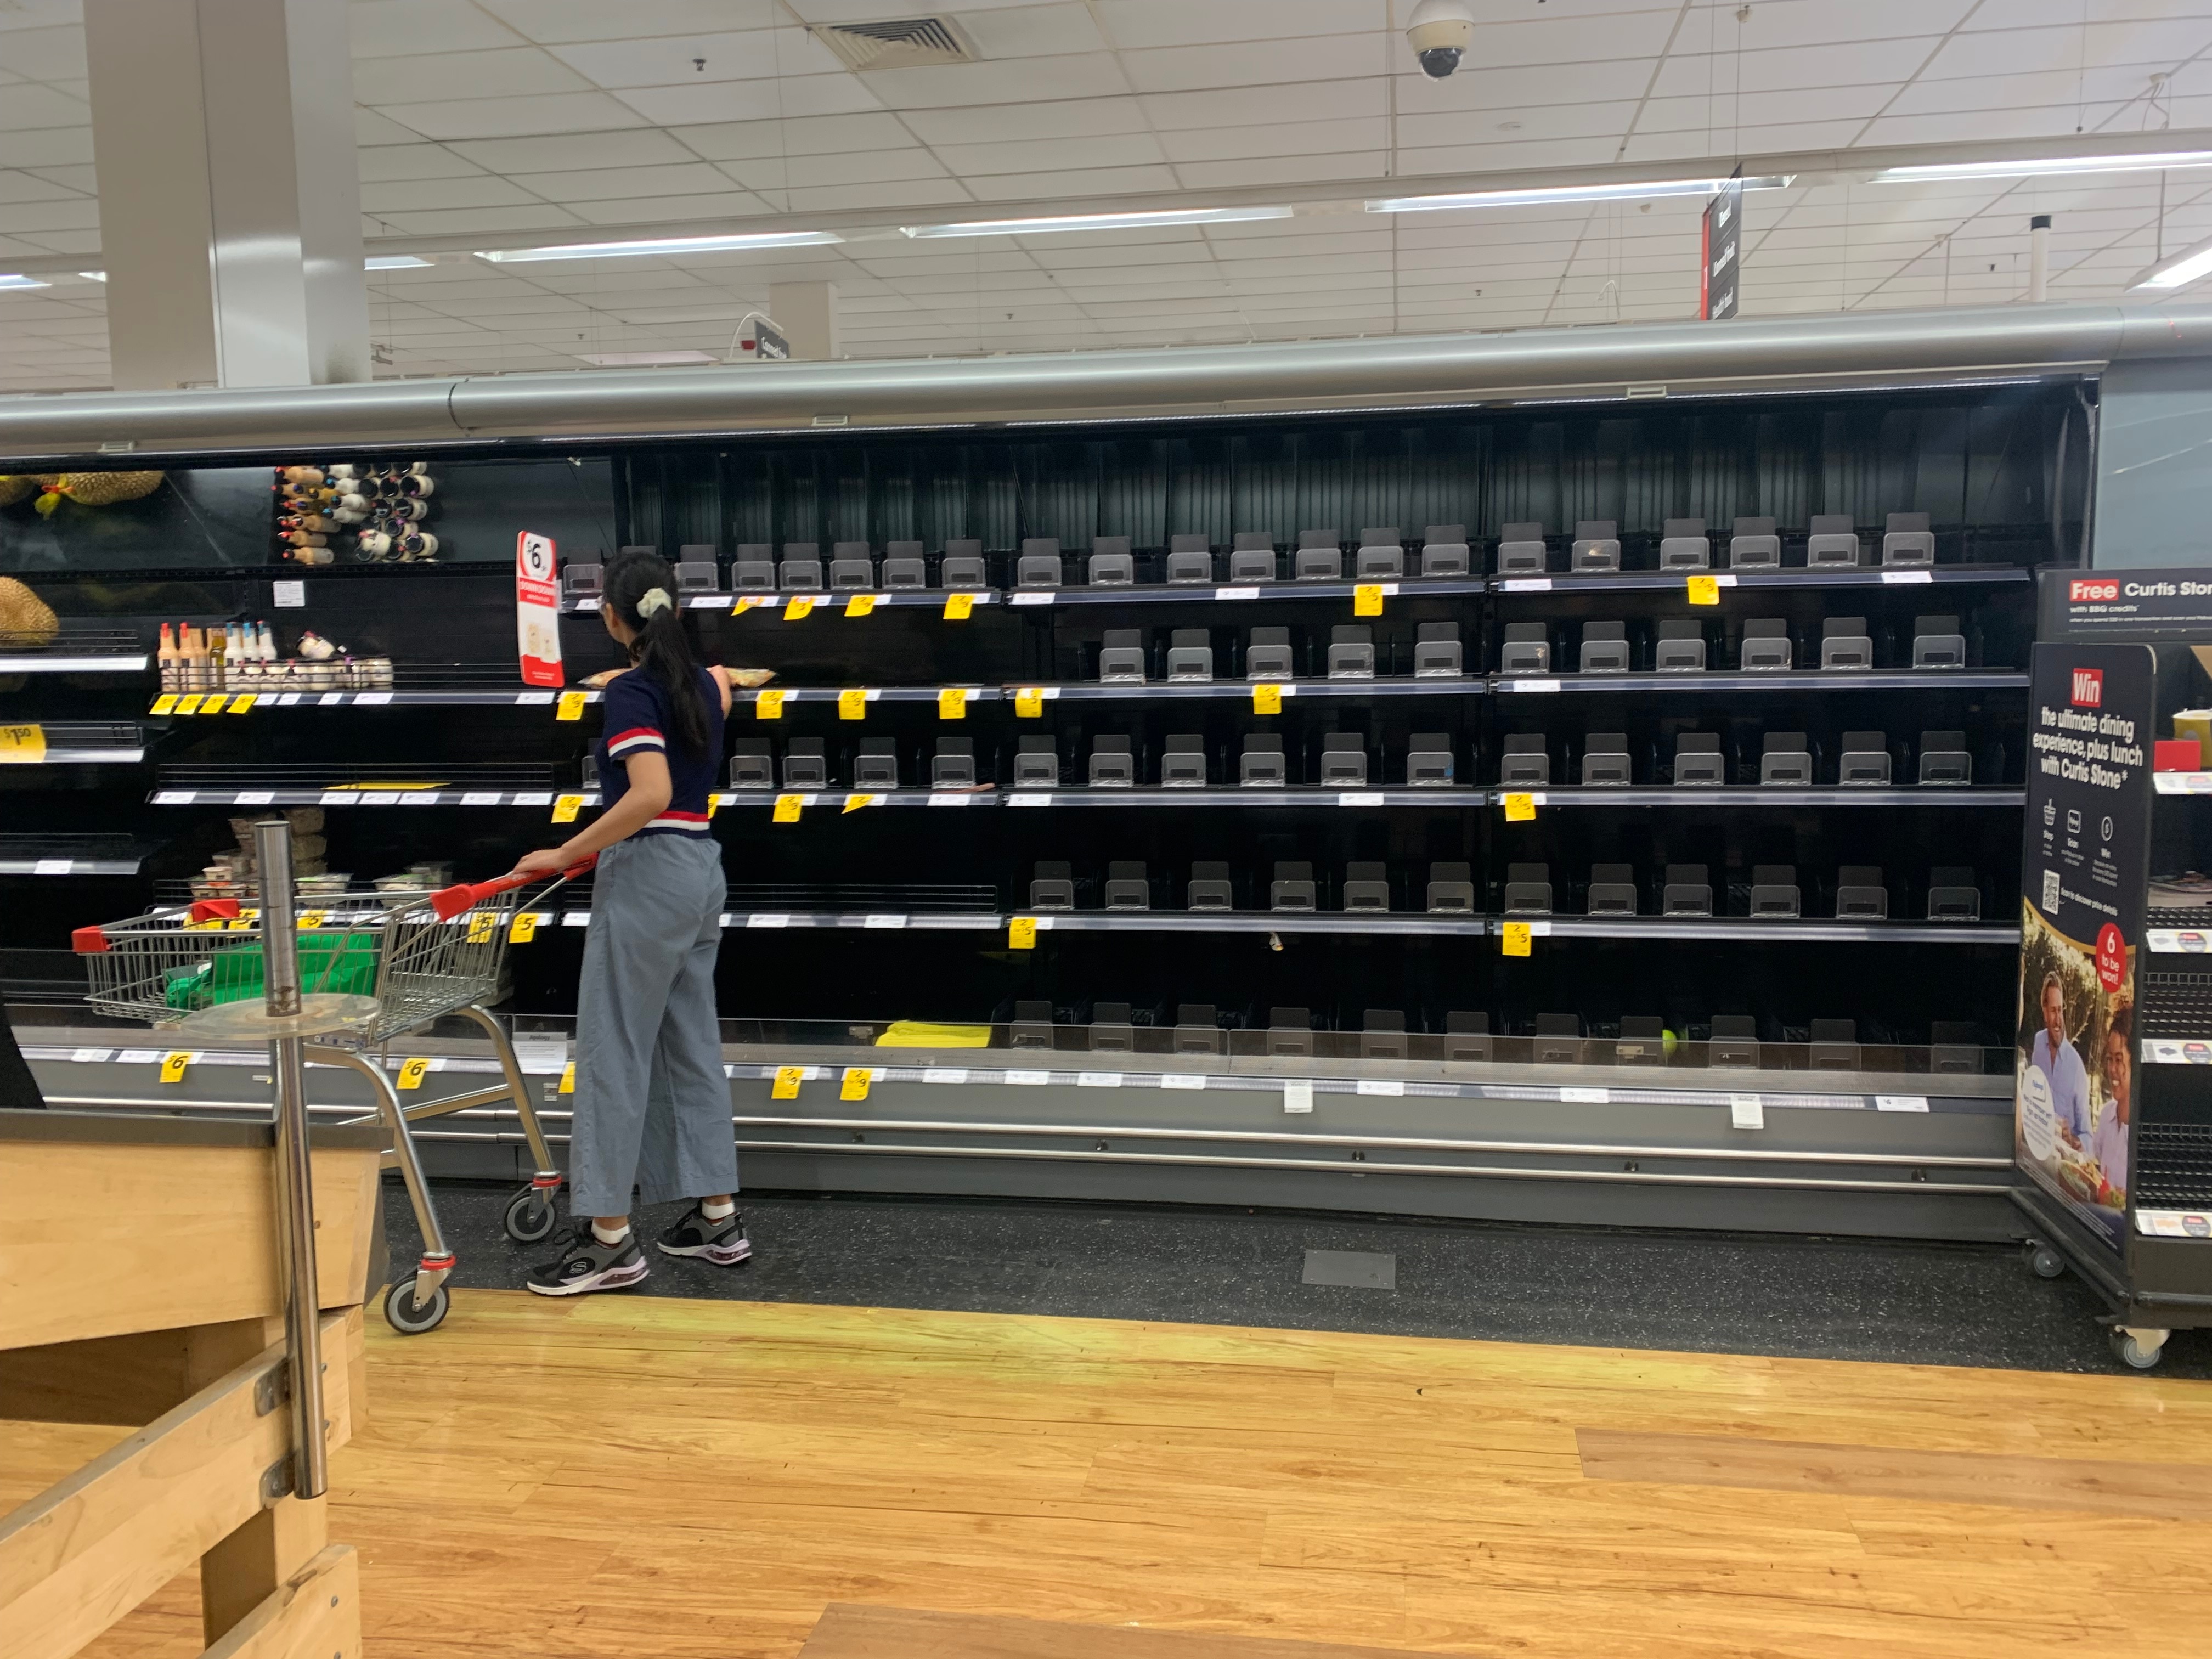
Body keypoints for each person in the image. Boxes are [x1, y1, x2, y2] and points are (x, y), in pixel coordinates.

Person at [509, 550, 749, 1296]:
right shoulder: (710, 683)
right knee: (689, 1041)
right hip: (702, 867)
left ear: (614, 621)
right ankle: (717, 1216)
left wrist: (563, 853)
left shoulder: (630, 695)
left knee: (615, 1053)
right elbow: (721, 693)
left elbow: (648, 793)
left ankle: (609, 1238)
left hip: (647, 872)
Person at [2029, 970, 2091, 1149]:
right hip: (2038, 1147)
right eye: (2053, 1011)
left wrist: (2072, 1139)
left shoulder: (2076, 1066)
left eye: (2060, 1010)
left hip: (2063, 1162)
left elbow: (2089, 1137)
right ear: (2044, 1012)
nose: (2058, 1020)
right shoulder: (2038, 1043)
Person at [2092, 1007, 2132, 1206]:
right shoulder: (2107, 1115)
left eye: (2119, 1060)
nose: (2112, 1070)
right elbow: (2093, 1170)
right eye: (2110, 1060)